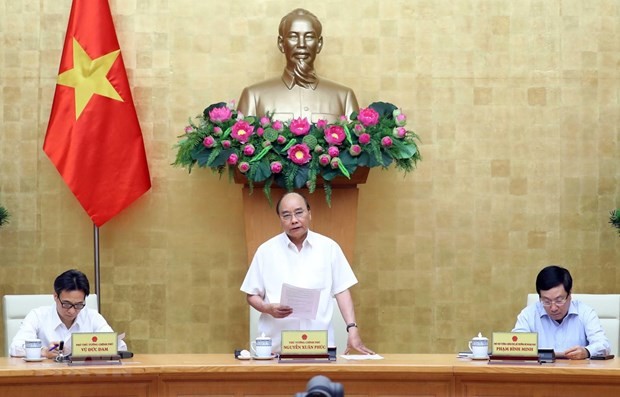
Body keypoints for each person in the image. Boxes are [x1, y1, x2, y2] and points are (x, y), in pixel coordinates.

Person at [240, 192, 374, 355]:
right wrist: (267, 308)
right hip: (276, 349)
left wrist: (352, 328)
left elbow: (342, 290)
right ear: (280, 220)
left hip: (319, 347)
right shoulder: (266, 251)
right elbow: (251, 294)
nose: (294, 220)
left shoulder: (329, 248)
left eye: (299, 212)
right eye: (286, 215)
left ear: (309, 213)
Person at [237, 8, 359, 123]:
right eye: (293, 36)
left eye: (309, 37)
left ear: (319, 44)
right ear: (281, 43)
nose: (301, 44)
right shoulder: (253, 96)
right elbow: (241, 143)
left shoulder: (344, 97)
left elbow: (356, 143)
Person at [9, 269, 127, 358]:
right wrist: (43, 351)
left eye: (78, 305)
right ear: (55, 296)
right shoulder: (37, 316)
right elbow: (15, 348)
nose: (72, 311)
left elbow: (120, 347)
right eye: (66, 304)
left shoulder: (92, 317)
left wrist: (94, 347)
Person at [512, 265, 610, 359]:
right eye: (546, 301)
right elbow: (515, 348)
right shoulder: (528, 315)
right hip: (540, 374)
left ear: (569, 294)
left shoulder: (585, 313)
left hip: (576, 373)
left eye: (559, 300)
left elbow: (603, 345)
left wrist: (587, 352)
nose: (553, 308)